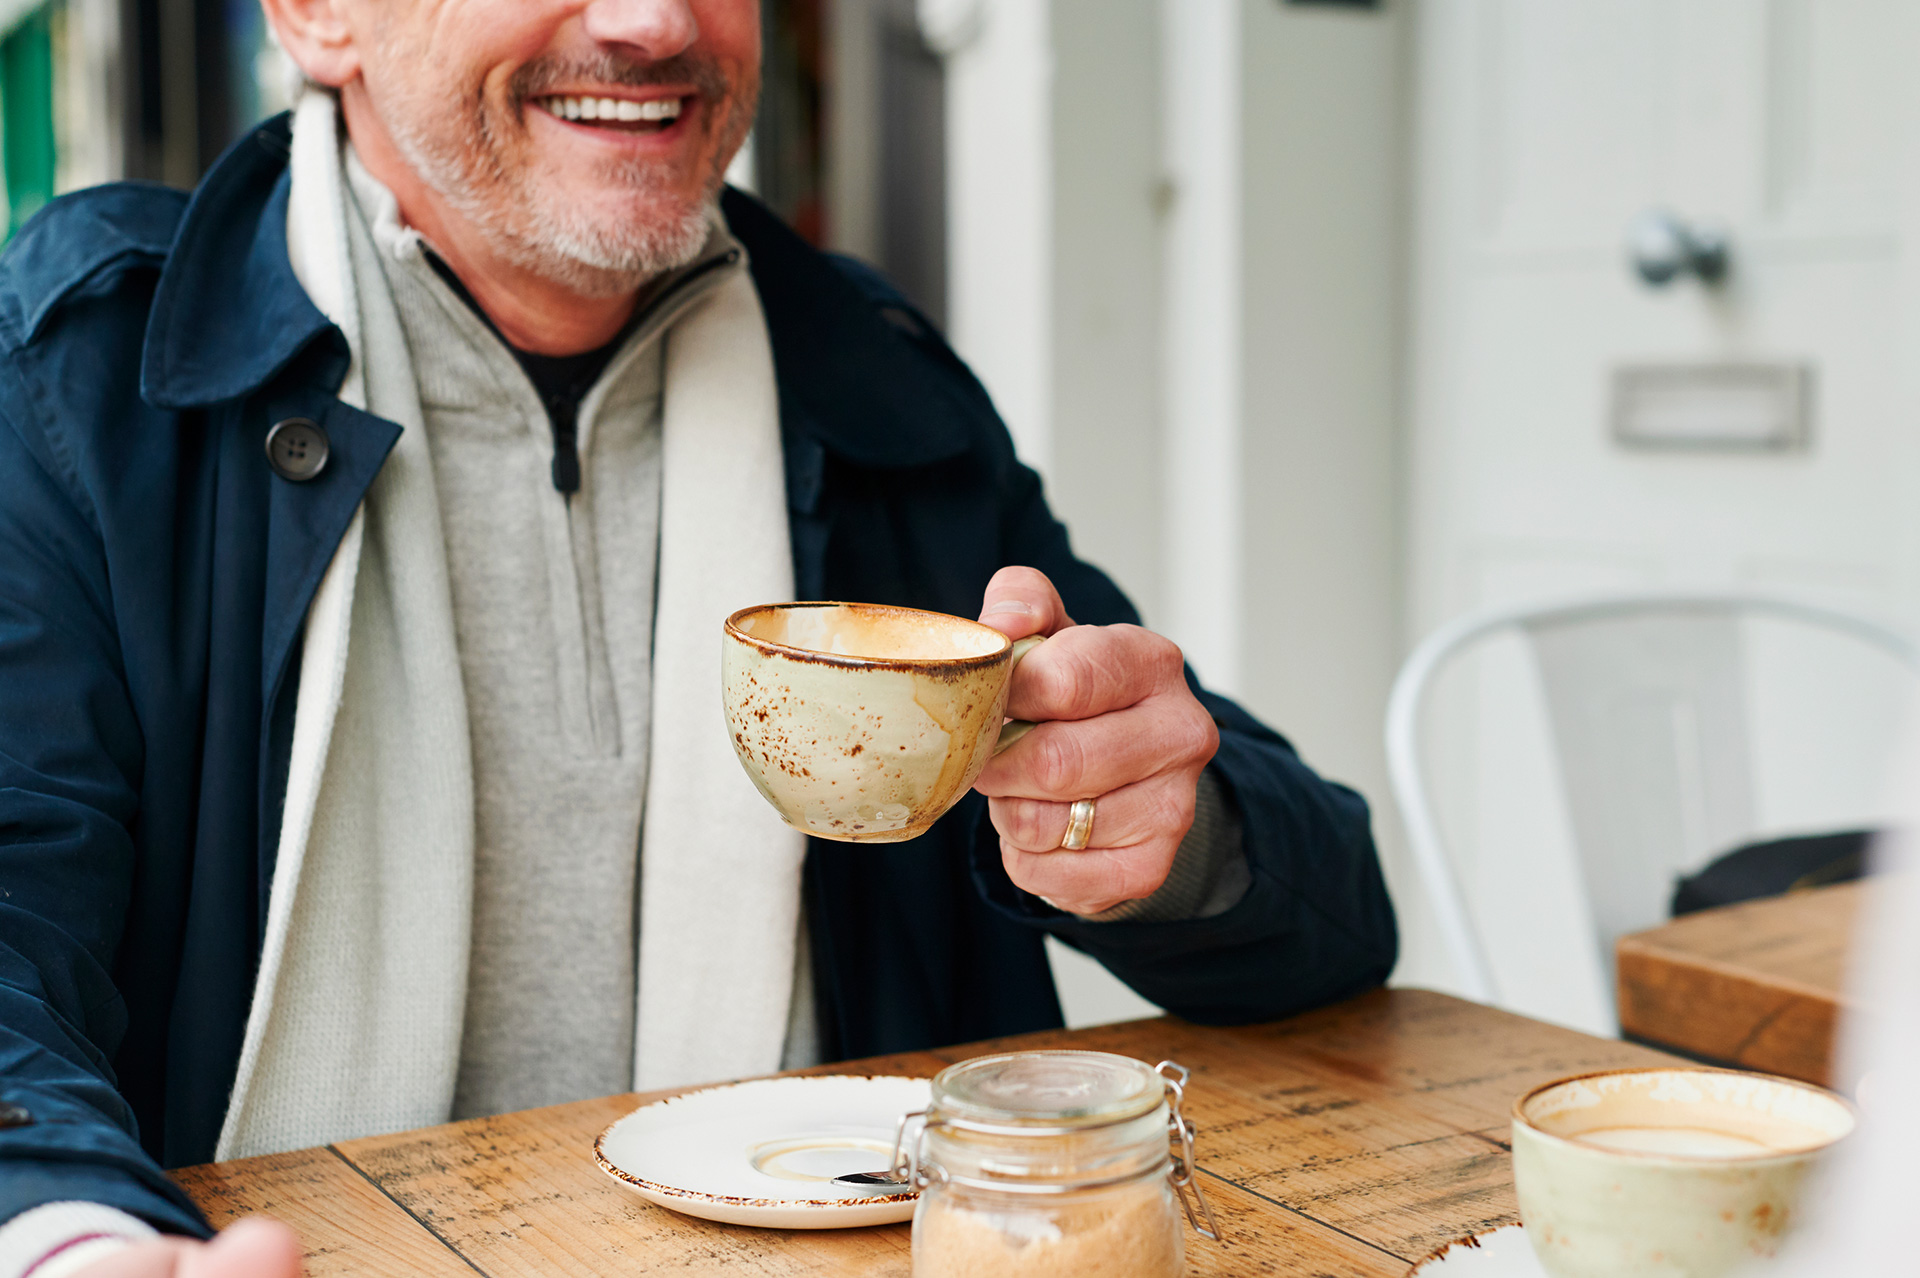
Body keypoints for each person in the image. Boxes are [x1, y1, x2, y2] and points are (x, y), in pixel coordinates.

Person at [0, 0, 1396, 1272]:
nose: (655, 23)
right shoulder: (84, 381)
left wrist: (1159, 827)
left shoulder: (867, 382)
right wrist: (66, 1235)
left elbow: (1332, 920)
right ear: (316, 15)